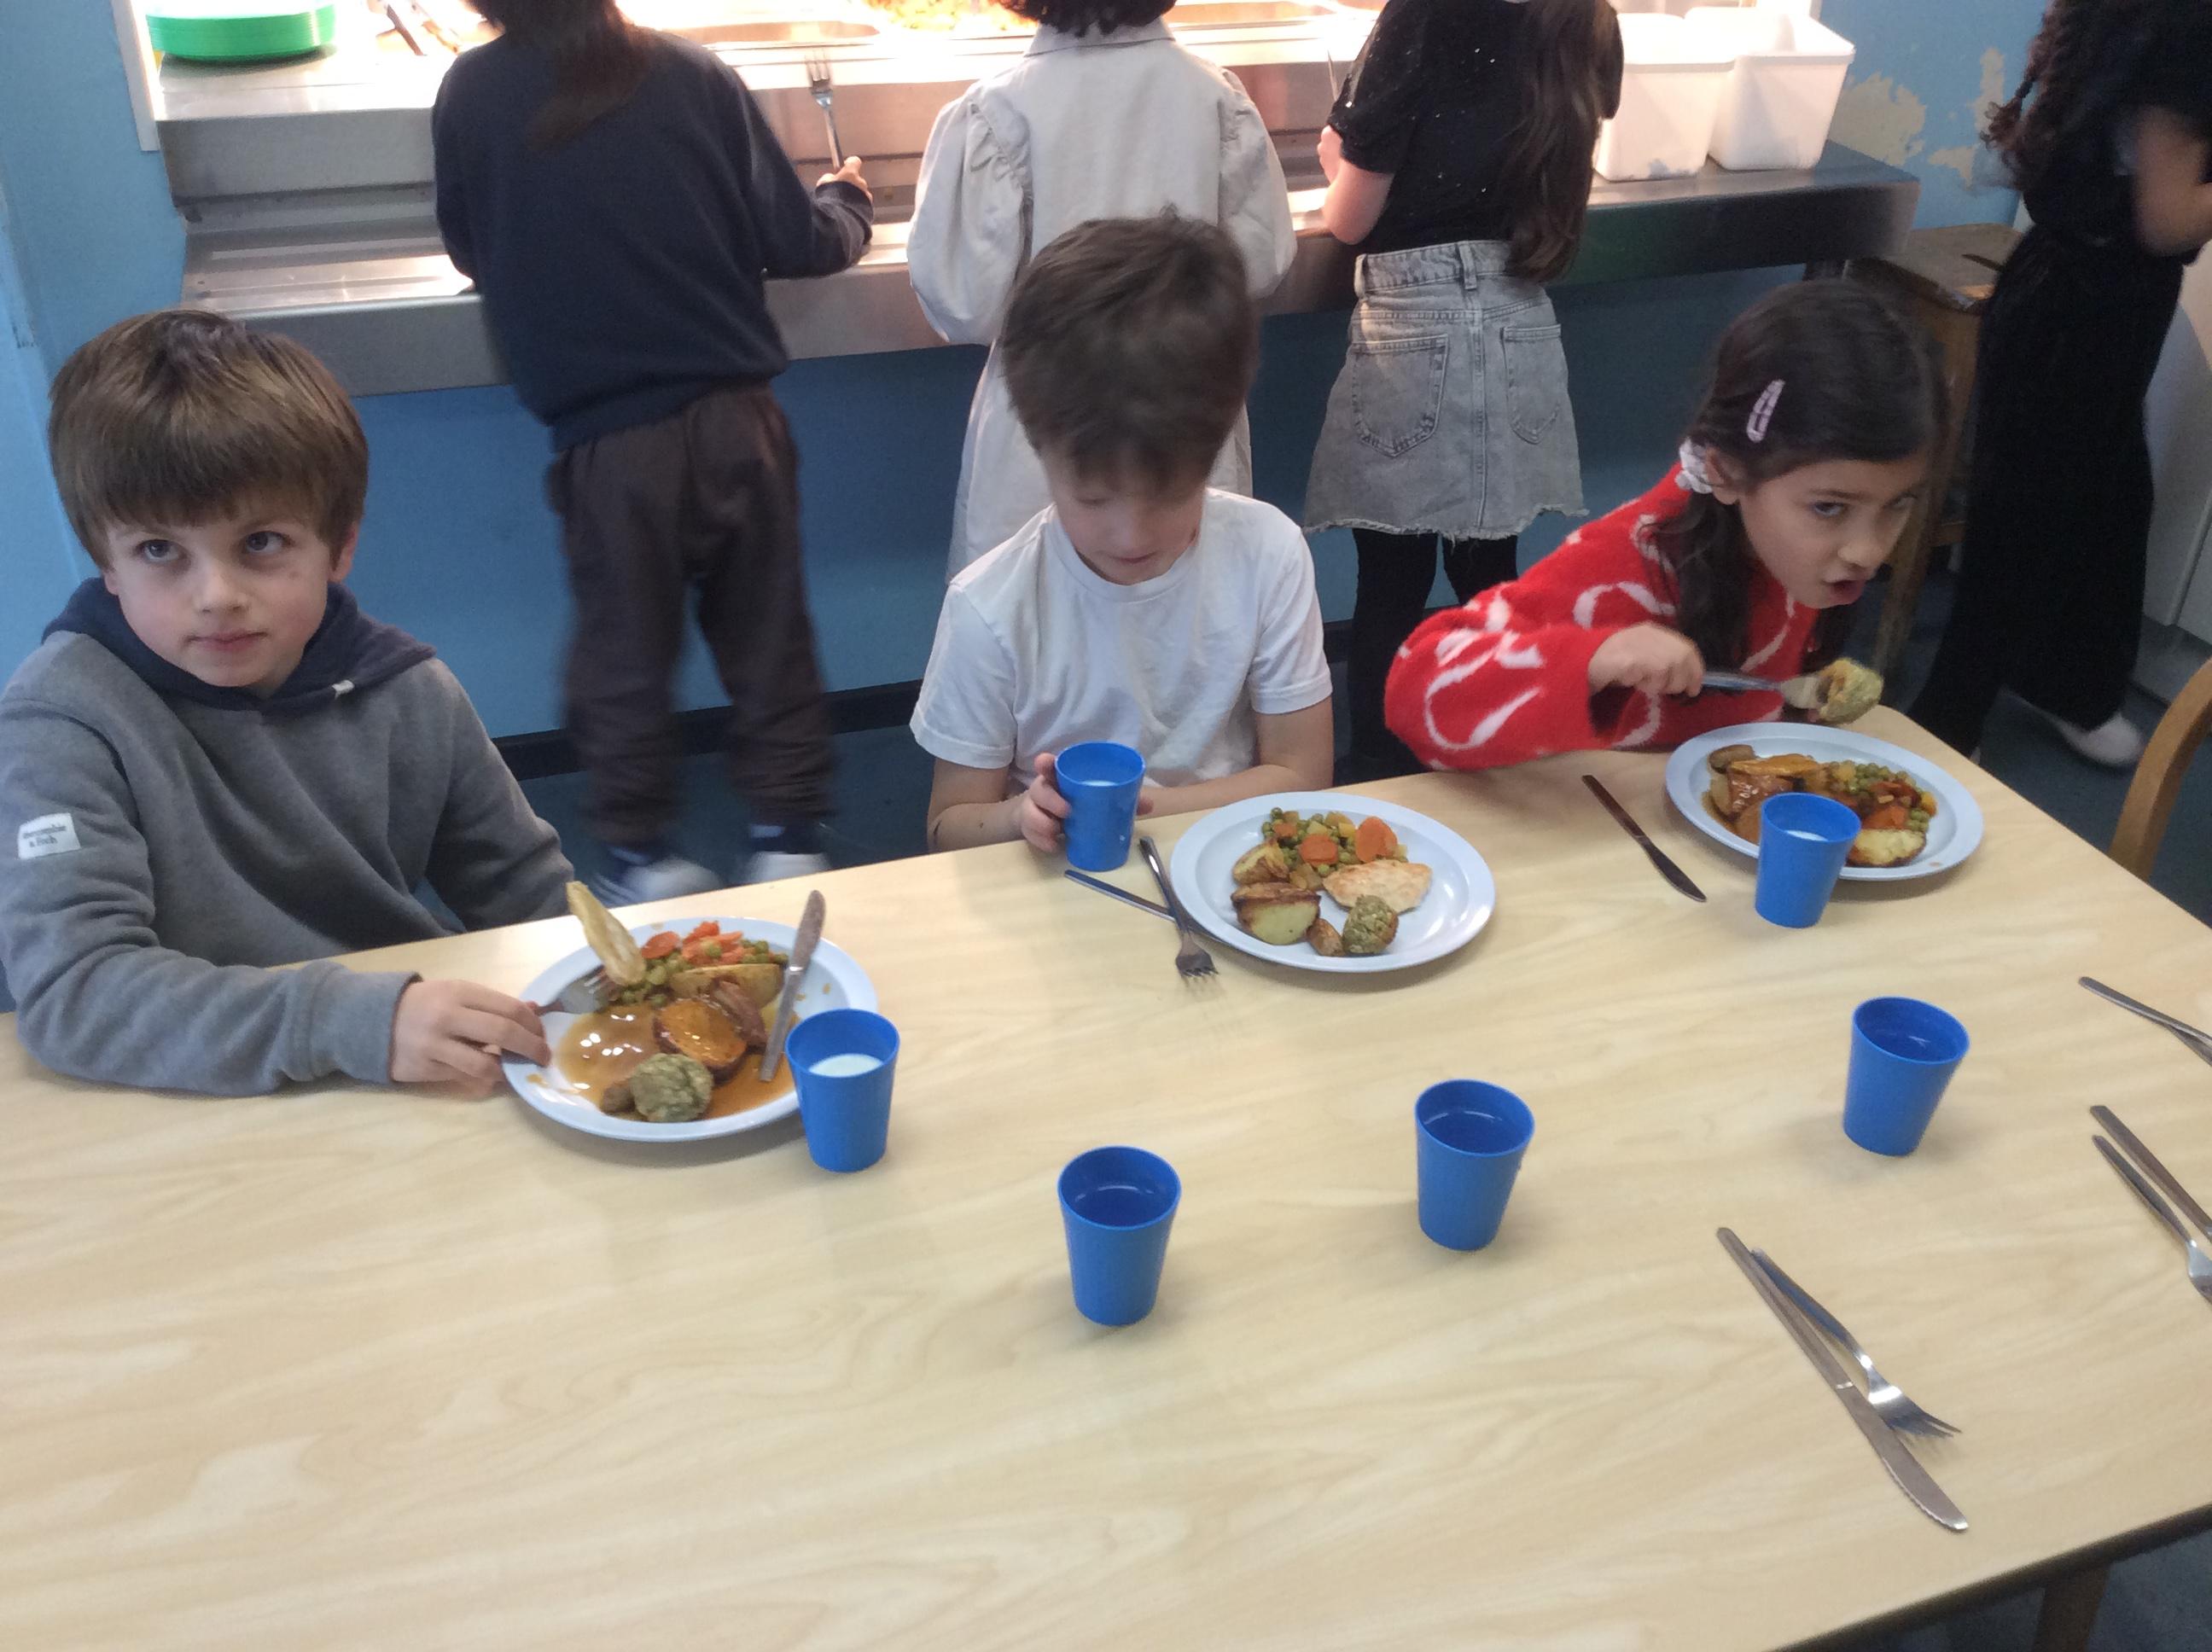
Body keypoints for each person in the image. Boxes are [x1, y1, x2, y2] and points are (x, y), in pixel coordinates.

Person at [0, 310, 569, 1096]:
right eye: (159, 550)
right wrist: (350, 1022)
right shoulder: (63, 719)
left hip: (396, 1073)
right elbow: (75, 993)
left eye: (260, 543)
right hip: (184, 1097)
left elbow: (534, 900)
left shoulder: (410, 690)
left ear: (339, 548)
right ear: (108, 564)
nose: (216, 596)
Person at [432, 0, 872, 900]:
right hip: (740, 424)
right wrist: (848, 203)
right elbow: (795, 239)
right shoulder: (693, 71)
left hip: (610, 448)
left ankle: (643, 855)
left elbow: (471, 250)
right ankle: (787, 836)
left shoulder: (470, 90)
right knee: (770, 634)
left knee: (623, 654)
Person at [1385, 282, 1945, 771]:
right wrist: (1593, 660)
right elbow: (1414, 692)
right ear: (1725, 472)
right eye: (1829, 508)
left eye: (1899, 504)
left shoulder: (1798, 559)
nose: (1869, 551)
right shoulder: (1625, 565)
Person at [911, 215, 1334, 853]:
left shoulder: (1268, 554)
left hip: (1223, 863)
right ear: (1039, 450)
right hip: (1056, 878)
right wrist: (1022, 815)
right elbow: (948, 826)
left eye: (1170, 495)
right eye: (1093, 498)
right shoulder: (990, 607)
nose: (1131, 534)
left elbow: (1304, 775)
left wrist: (1131, 812)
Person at [1304, 0, 1624, 781]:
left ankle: (1383, 773)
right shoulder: (1588, 16)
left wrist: (1336, 161)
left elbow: (1350, 219)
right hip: (1523, 324)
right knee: (1492, 574)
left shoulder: (1424, 14)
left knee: (1392, 582)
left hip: (1415, 332)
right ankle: (1494, 749)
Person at [1911, 0, 2212, 766]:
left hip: (2083, 292)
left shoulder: (2139, 22)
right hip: (2088, 307)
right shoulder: (2189, 36)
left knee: (2112, 500)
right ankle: (1947, 721)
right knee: (2022, 519)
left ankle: (2068, 682)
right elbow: (2168, 221)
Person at [906, 0, 1297, 578]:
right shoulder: (1217, 99)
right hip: (1183, 409)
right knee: (1192, 608)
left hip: (1054, 425)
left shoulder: (998, 110)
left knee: (1036, 609)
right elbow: (1260, 265)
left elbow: (963, 302)